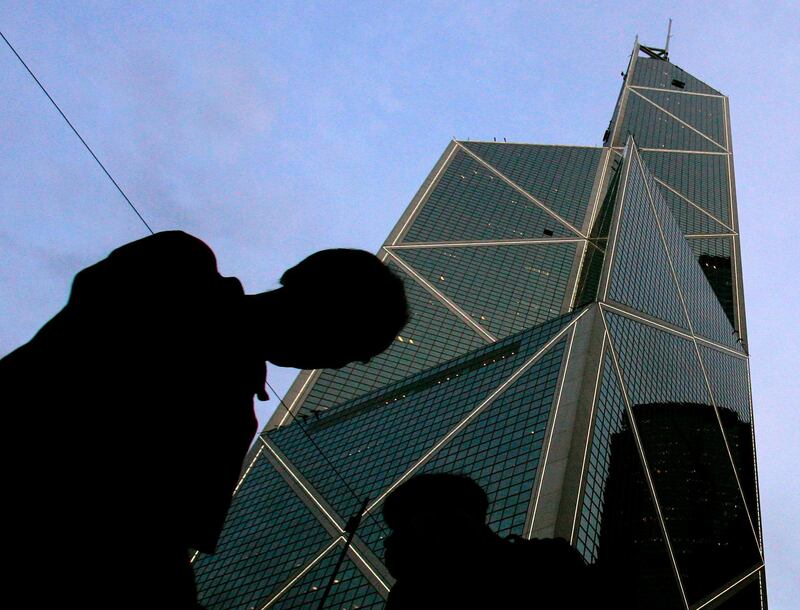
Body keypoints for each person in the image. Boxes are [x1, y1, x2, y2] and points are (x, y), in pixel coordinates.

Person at [0, 230, 408, 608]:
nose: (338, 363)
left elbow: (162, 541)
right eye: (353, 340)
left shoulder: (237, 414)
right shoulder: (176, 266)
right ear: (314, 289)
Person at [382, 473, 589, 609]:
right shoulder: (547, 559)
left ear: (452, 516)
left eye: (404, 524)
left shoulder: (547, 561)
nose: (389, 541)